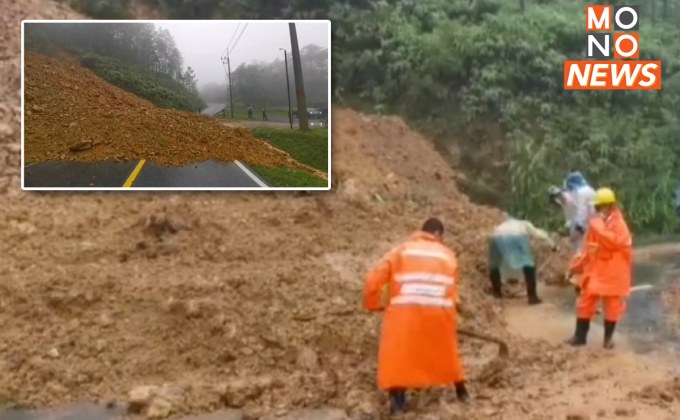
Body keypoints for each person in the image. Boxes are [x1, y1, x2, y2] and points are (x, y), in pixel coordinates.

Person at [362, 217, 469, 415]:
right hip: (439, 314)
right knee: (447, 352)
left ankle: (398, 404)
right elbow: (452, 291)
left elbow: (373, 279)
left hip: (405, 314)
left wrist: (375, 304)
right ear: (438, 235)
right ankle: (462, 392)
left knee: (399, 355)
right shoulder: (448, 255)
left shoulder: (401, 251)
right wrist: (452, 309)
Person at [566, 187, 632, 349]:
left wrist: (598, 226)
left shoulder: (619, 225)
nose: (596, 210)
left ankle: (607, 340)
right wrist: (575, 267)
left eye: (599, 206)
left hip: (614, 274)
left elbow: (613, 243)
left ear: (610, 206)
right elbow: (588, 249)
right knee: (584, 302)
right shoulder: (597, 225)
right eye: (596, 207)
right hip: (596, 272)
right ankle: (579, 337)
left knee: (612, 307)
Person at [488, 214, 558, 305]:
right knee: (528, 264)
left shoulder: (503, 225)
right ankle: (532, 297)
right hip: (517, 235)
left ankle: (497, 294)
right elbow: (540, 235)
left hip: (496, 236)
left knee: (494, 265)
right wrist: (553, 246)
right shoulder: (525, 224)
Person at [561, 171, 596, 252]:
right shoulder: (591, 190)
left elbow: (581, 211)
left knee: (580, 251)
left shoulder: (580, 193)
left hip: (584, 229)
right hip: (594, 226)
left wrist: (578, 229)